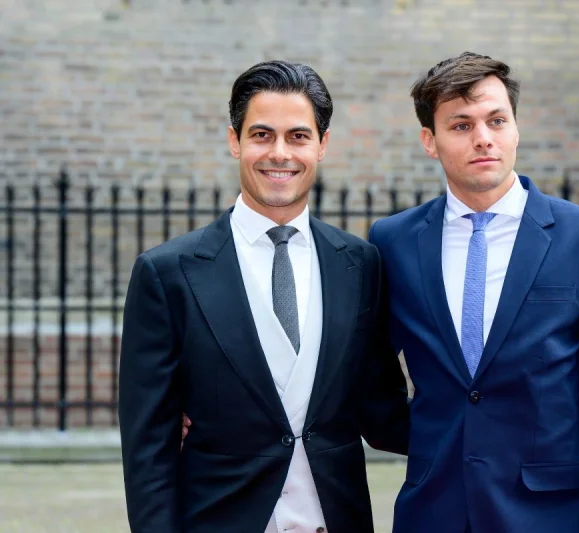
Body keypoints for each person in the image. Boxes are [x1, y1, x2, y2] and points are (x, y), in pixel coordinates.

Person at [118, 60, 409, 533]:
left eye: (297, 136)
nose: (279, 153)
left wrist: (493, 422)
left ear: (322, 145)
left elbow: (381, 411)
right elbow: (147, 447)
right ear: (235, 141)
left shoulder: (361, 264)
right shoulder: (167, 273)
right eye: (261, 135)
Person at [367, 52, 579, 532]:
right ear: (429, 141)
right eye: (461, 125)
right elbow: (369, 373)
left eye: (497, 120)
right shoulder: (393, 241)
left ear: (515, 128)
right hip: (433, 509)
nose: (484, 138)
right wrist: (435, 436)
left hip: (547, 513)